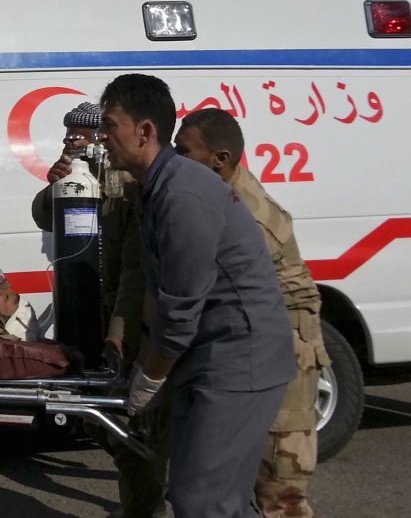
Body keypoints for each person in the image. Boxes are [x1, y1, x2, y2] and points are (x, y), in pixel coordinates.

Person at [97, 73, 296, 518]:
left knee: (202, 502)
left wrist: (148, 379)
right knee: (218, 501)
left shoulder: (182, 193)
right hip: (214, 355)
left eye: (110, 125)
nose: (102, 137)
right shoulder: (158, 188)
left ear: (144, 131)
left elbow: (179, 309)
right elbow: (156, 293)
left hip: (237, 358)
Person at [175, 108, 328, 518]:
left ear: (219, 160)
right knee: (234, 481)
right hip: (253, 334)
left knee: (280, 485)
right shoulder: (213, 192)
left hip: (286, 340)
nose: (174, 159)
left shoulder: (246, 212)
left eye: (183, 150)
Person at [31, 102, 166, 518]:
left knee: (138, 423)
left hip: (126, 310)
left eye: (80, 135)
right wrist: (53, 184)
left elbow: (135, 260)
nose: (73, 142)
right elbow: (44, 217)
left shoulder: (127, 177)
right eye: (68, 135)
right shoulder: (70, 174)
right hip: (91, 306)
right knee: (101, 416)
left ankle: (155, 497)